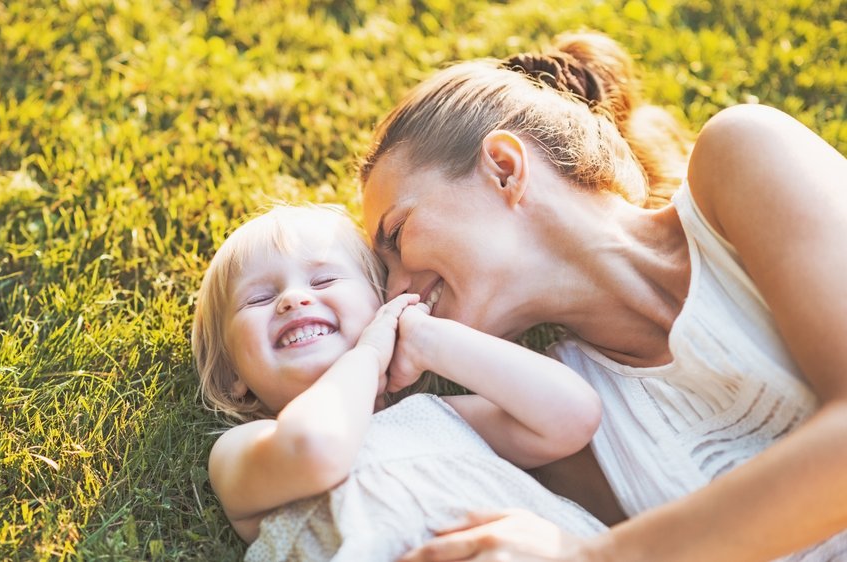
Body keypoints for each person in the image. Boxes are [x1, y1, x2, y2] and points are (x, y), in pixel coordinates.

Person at [359, 30, 847, 561]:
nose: (394, 287)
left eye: (398, 235)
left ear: (503, 168)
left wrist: (601, 556)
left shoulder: (745, 154)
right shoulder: (561, 425)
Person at [190, 204, 608, 561]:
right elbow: (316, 449)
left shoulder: (436, 417)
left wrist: (429, 340)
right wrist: (367, 356)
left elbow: (573, 415)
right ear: (234, 378)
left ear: (380, 307)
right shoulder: (246, 447)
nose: (293, 299)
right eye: (259, 298)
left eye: (323, 281)